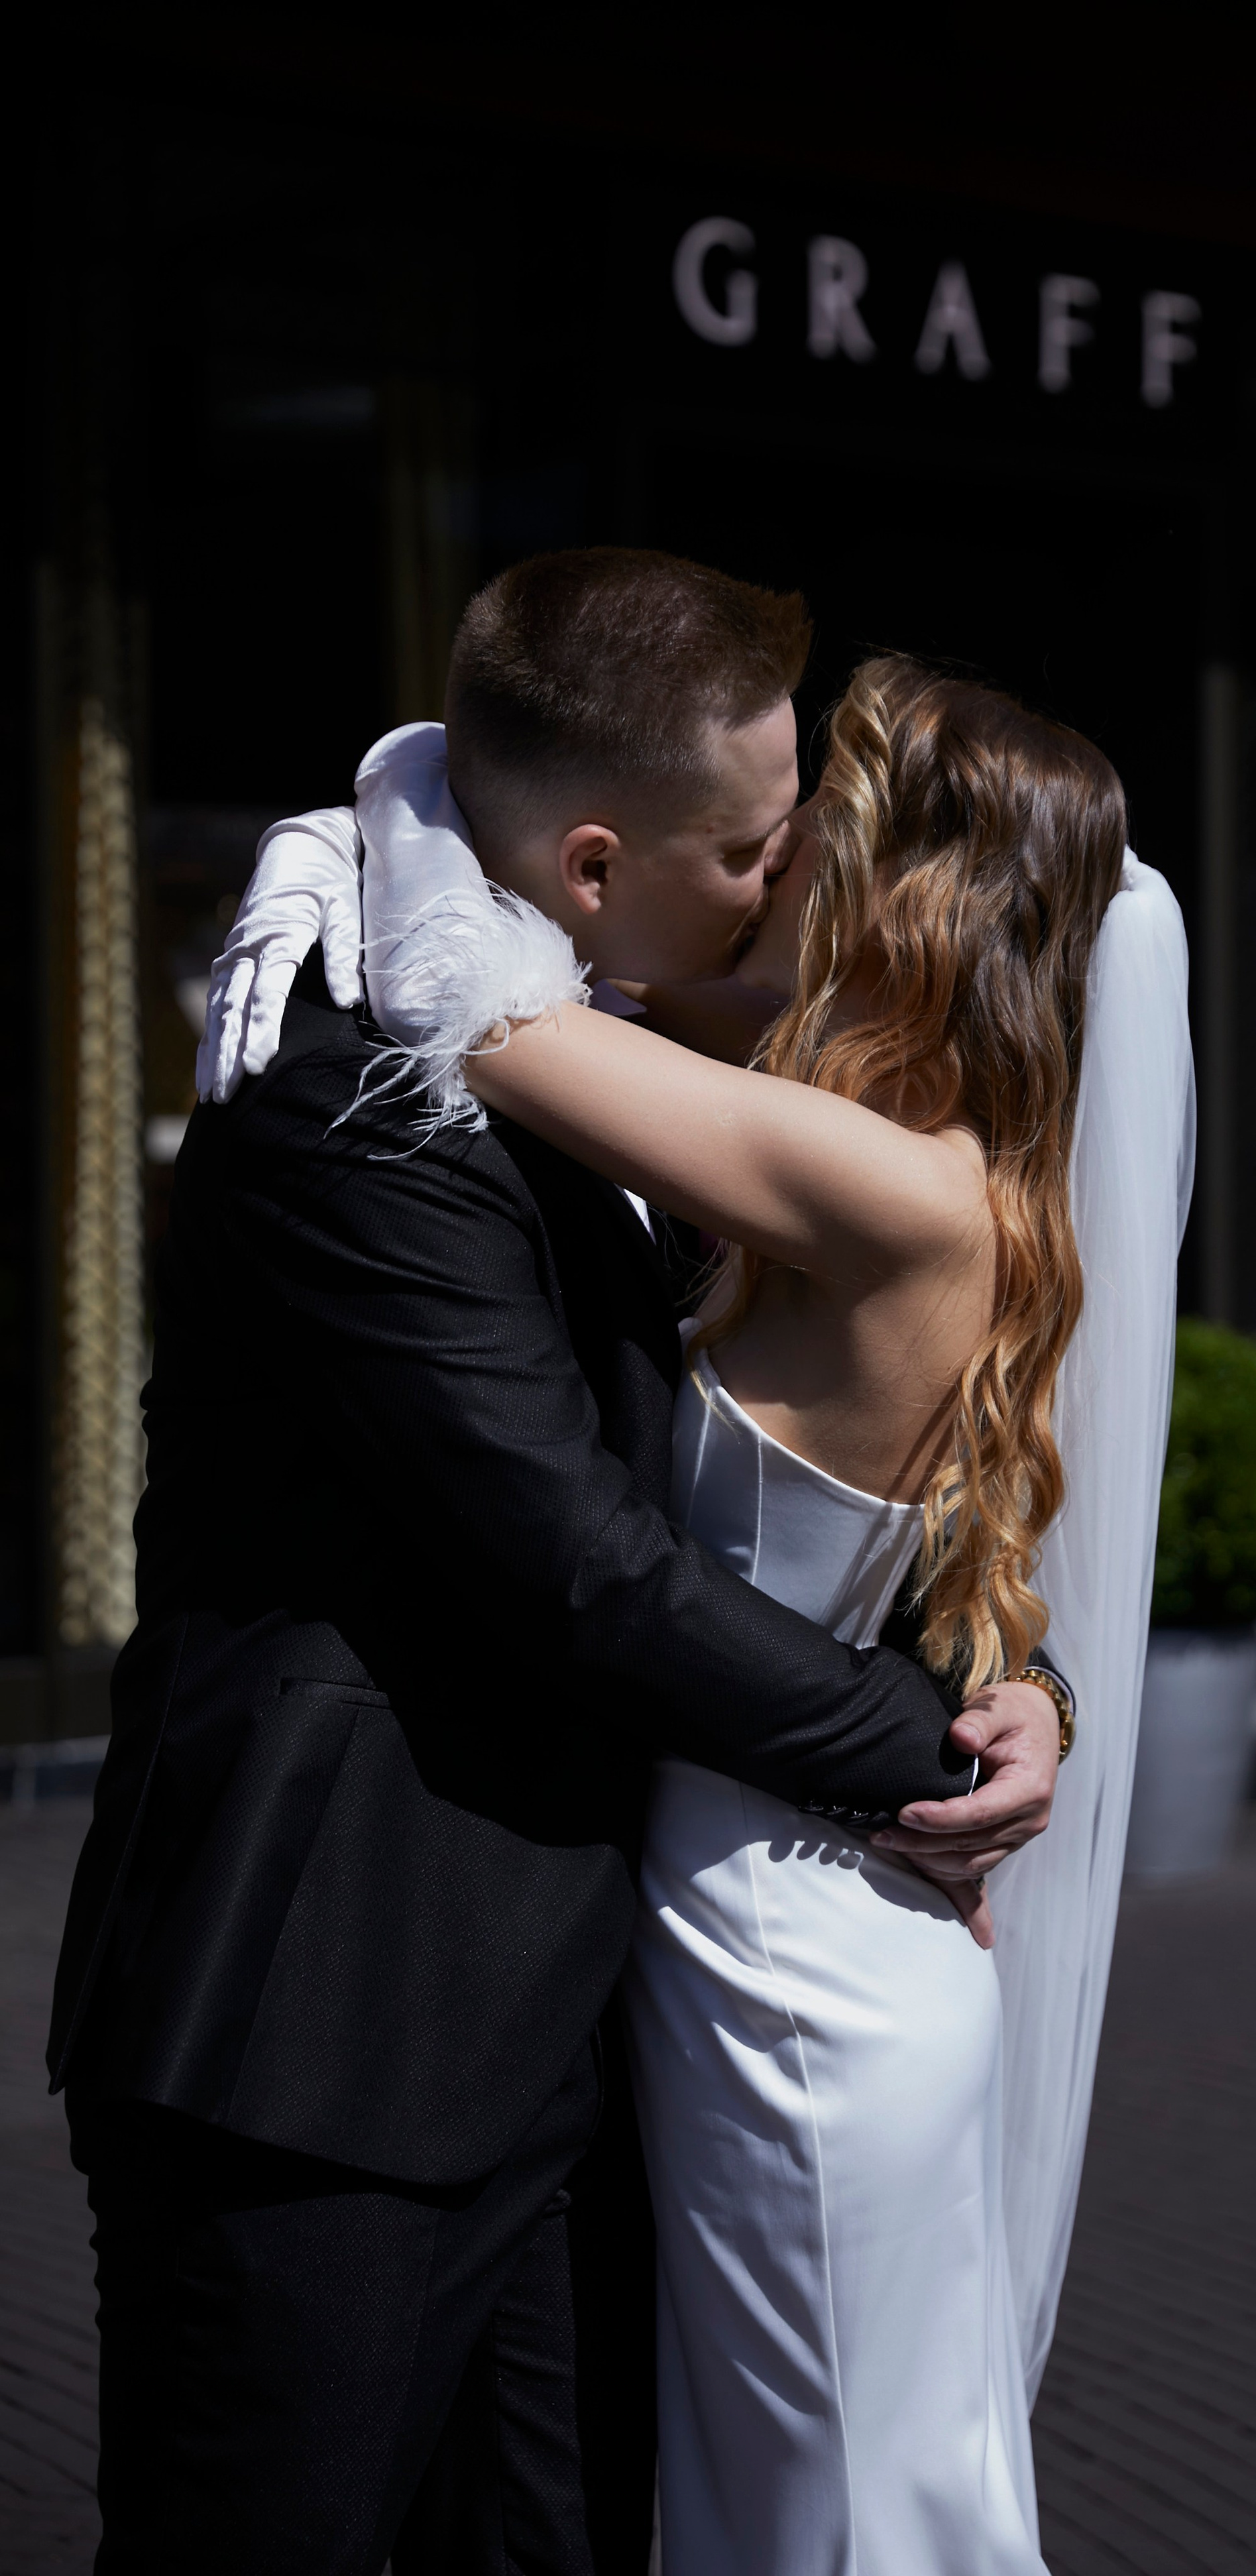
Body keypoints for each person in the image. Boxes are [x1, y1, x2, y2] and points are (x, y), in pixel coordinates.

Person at [48, 550, 1066, 2576]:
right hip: (332, 2025)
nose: (791, 890)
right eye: (757, 848)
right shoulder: (351, 1090)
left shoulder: (641, 1058)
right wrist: (924, 1742)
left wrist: (999, 1667)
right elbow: (582, 1566)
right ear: (594, 867)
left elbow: (831, 1444)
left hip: (575, 2024)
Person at [294, 637, 1193, 2571]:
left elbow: (486, 1021)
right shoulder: (925, 1166)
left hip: (790, 1966)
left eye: (808, 841)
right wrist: (1022, 1683)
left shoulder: (873, 1179)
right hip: (790, 1919)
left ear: (902, 898)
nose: (768, 867)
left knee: (851, 2525)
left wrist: (399, 788)